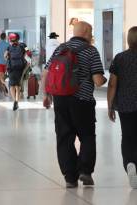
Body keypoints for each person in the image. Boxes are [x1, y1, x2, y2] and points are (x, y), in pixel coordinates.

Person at [42, 21, 107, 188]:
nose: (92, 35)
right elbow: (98, 81)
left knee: (64, 137)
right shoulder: (91, 51)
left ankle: (70, 178)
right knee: (86, 136)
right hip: (82, 100)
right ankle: (85, 171)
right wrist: (106, 79)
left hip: (61, 99)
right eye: (91, 31)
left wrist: (46, 94)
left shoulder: (61, 48)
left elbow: (46, 72)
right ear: (85, 32)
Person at [107, 26, 137, 189]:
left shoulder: (120, 58)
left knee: (128, 136)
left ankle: (130, 163)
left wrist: (110, 106)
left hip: (126, 104)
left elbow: (112, 84)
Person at [4, 33, 28, 111]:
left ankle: (14, 100)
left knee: (11, 85)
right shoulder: (23, 45)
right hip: (20, 67)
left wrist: (8, 57)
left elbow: (5, 56)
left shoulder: (9, 47)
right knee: (18, 86)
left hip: (11, 68)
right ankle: (17, 101)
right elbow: (29, 53)